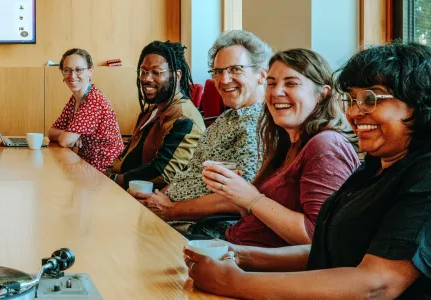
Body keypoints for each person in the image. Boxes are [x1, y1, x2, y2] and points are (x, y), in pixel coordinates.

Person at [185, 42, 431, 299]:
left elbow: (377, 285)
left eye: (370, 99)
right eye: (352, 99)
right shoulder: (373, 168)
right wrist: (240, 255)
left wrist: (233, 282)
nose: (354, 112)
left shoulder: (424, 174)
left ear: (419, 103)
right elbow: (326, 249)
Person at [197, 48, 359, 246]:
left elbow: (315, 238)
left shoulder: (325, 146)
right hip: (234, 248)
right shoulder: (288, 142)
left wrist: (252, 198)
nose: (276, 92)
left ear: (322, 94)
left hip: (252, 267)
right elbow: (261, 218)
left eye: (290, 83)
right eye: (271, 83)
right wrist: (235, 192)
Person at [132, 30, 268, 225]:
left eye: (235, 69)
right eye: (218, 72)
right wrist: (155, 199)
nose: (224, 79)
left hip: (198, 229)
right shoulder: (226, 118)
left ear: (261, 75)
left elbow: (240, 198)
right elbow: (190, 173)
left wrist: (171, 210)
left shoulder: (259, 125)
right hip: (169, 213)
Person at [108, 40, 205, 188]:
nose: (146, 78)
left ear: (177, 75)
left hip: (150, 199)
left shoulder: (183, 117)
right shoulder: (152, 111)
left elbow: (164, 172)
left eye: (156, 72)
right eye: (143, 72)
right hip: (125, 187)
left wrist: (115, 180)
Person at [48, 48, 123, 173]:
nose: (72, 76)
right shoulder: (75, 99)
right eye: (67, 70)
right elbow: (51, 132)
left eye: (78, 70)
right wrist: (69, 135)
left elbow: (65, 141)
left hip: (105, 171)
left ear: (90, 71)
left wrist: (68, 136)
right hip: (86, 166)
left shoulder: (94, 99)